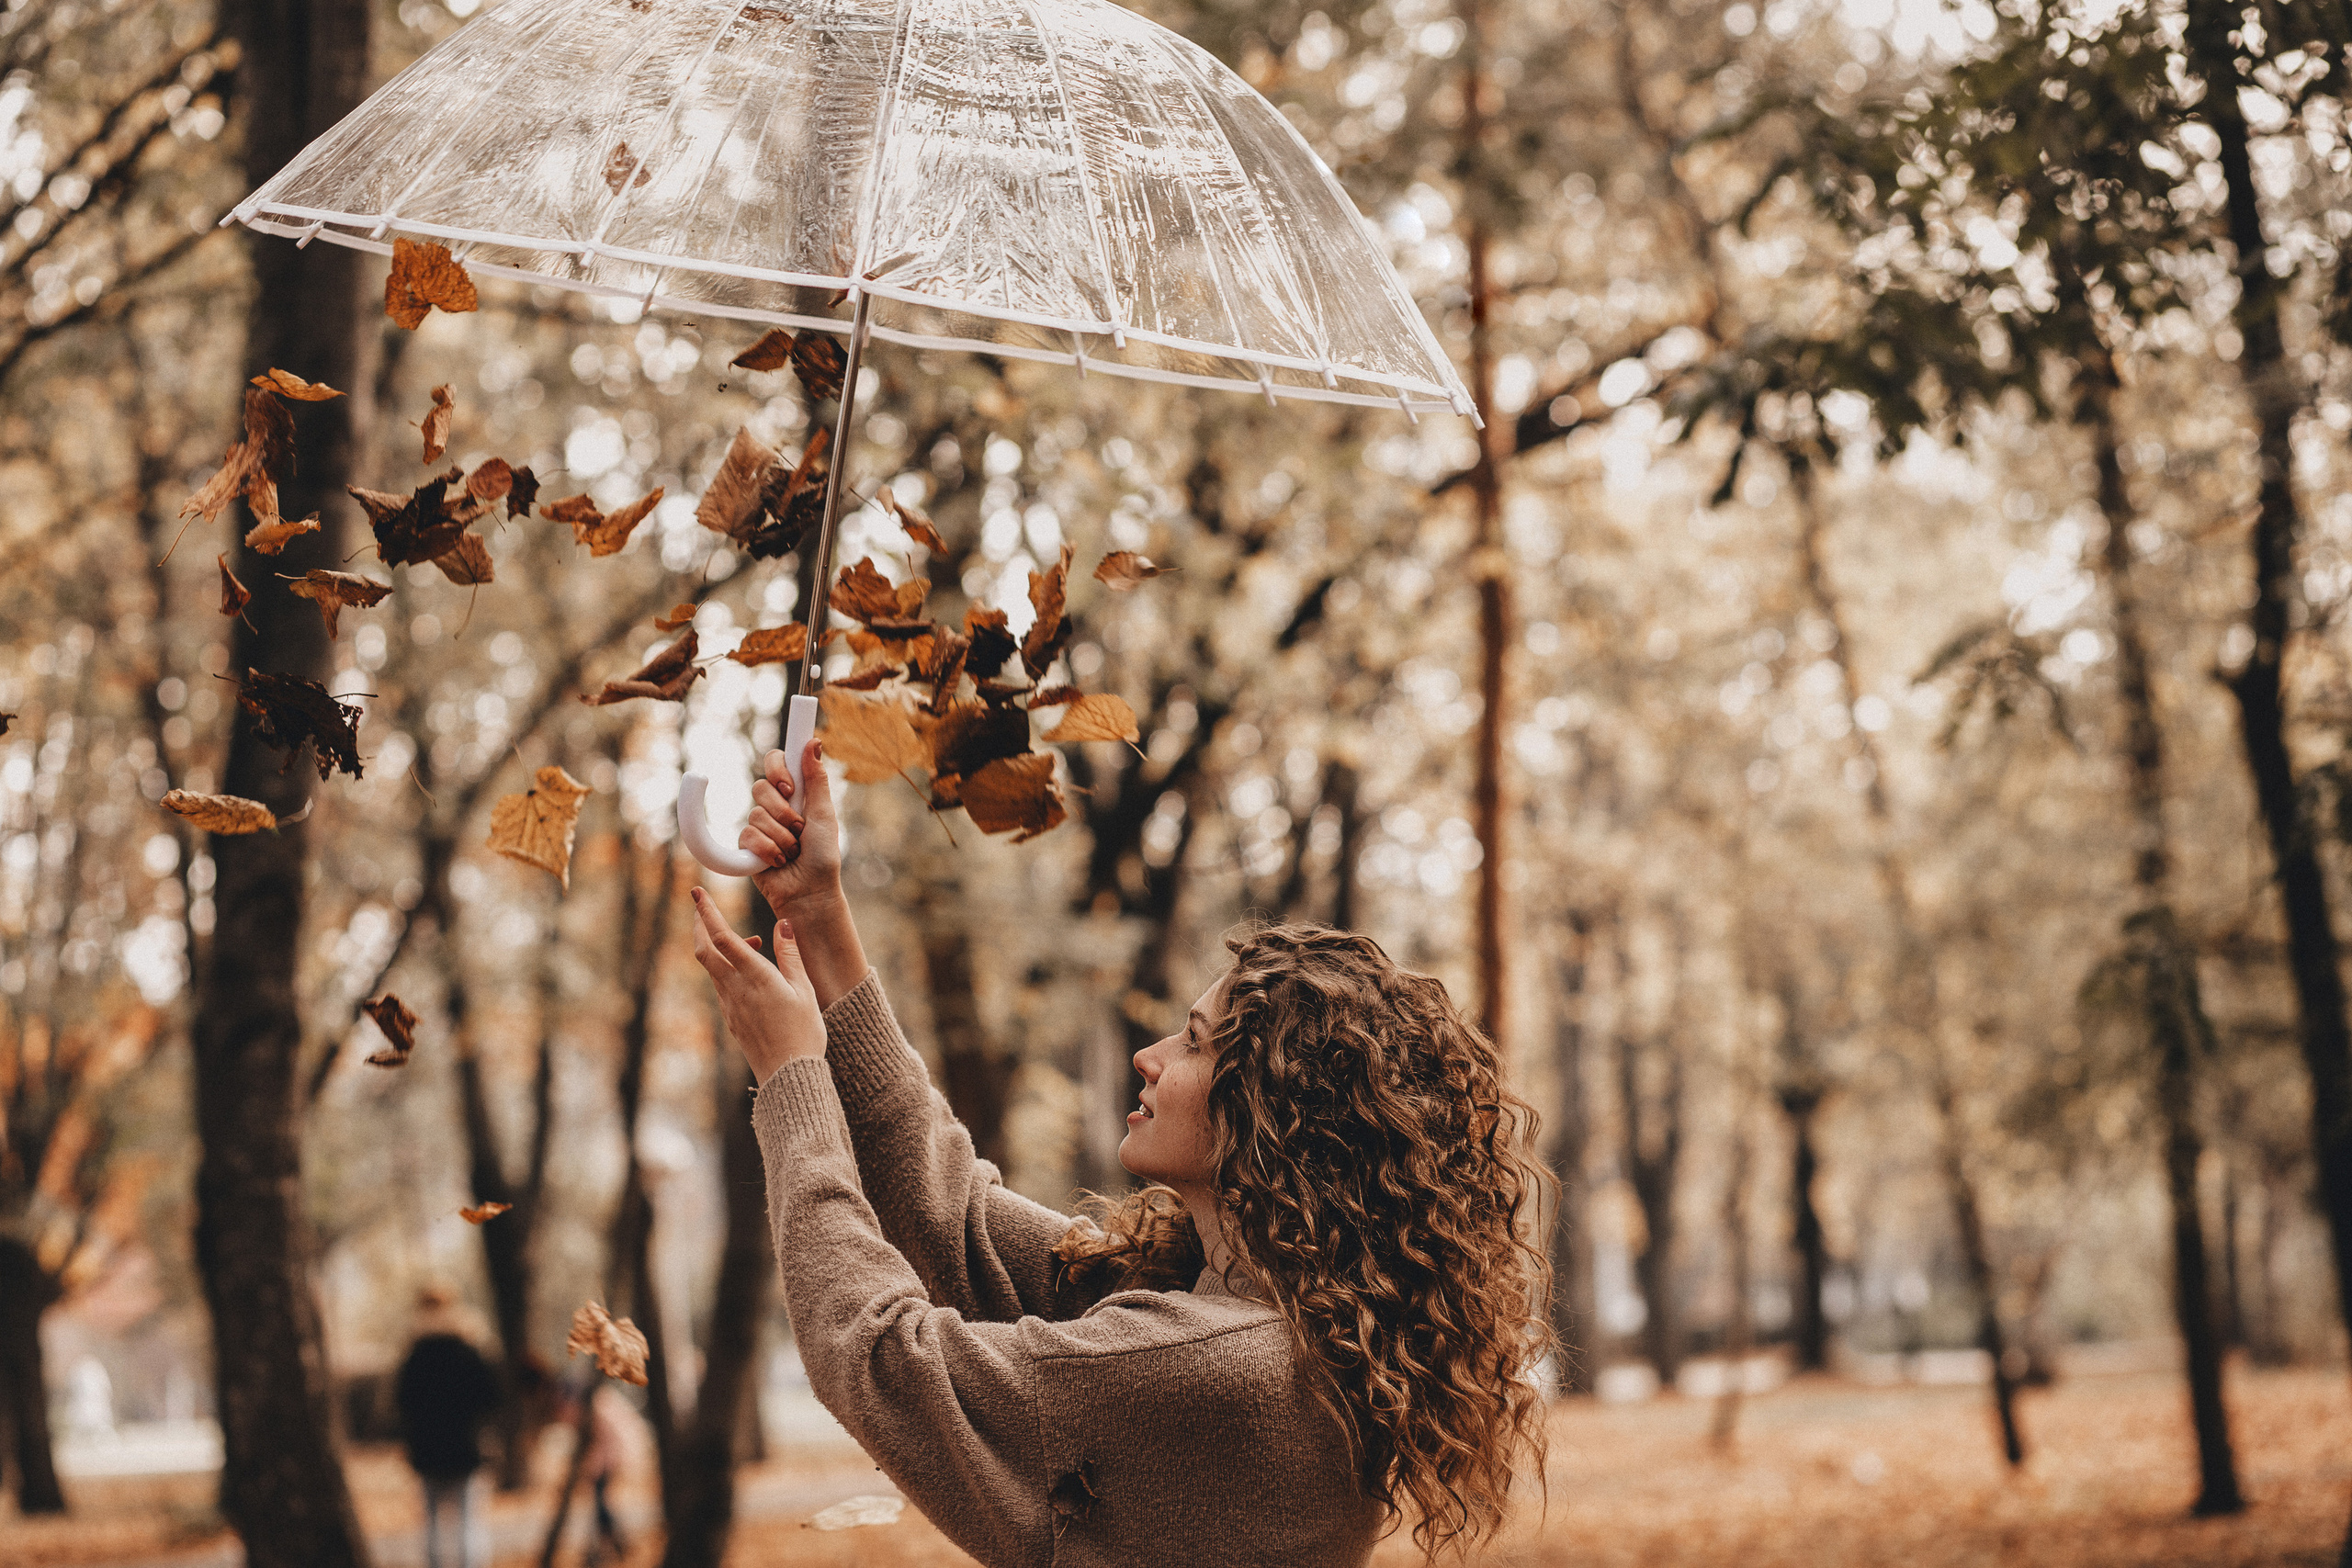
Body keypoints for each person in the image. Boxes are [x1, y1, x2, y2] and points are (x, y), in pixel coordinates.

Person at [687, 739, 1554, 1567]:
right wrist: (821, 918)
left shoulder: (1216, 1364)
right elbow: (957, 1220)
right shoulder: (1254, 1308)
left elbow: (883, 1361)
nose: (1152, 1055)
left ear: (1270, 1113)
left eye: (1193, 1041)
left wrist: (794, 1075)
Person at [394, 1283, 500, 1568]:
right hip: (465, 1446)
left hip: (427, 1449)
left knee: (431, 1525)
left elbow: (402, 1402)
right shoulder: (468, 1351)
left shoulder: (415, 1355)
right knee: (468, 1523)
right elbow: (490, 1397)